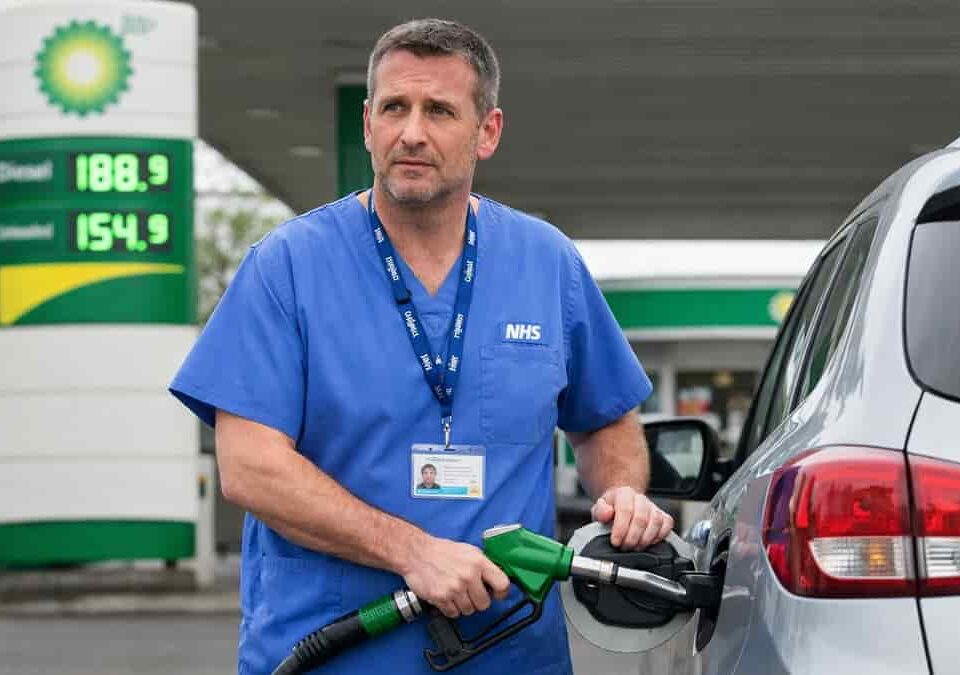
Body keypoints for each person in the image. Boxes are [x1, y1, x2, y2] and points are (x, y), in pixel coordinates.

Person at [170, 18, 673, 675]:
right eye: (394, 108)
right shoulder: (288, 266)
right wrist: (414, 551)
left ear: (486, 130)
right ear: (368, 123)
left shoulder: (544, 261)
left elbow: (606, 422)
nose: (412, 132)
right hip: (331, 649)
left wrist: (623, 498)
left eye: (439, 110)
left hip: (510, 650)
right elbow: (249, 465)